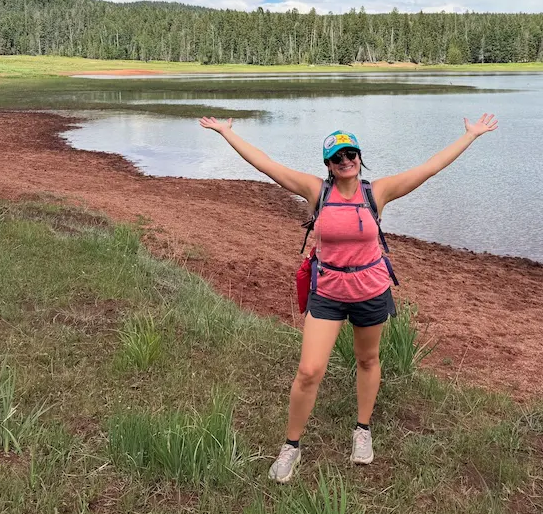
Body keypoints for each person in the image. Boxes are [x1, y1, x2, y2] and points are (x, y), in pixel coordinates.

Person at [198, 114, 498, 483]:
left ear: (359, 157)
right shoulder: (316, 191)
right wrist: (228, 133)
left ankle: (362, 429)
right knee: (309, 371)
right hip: (328, 292)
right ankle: (291, 445)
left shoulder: (377, 192)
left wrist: (469, 136)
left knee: (368, 359)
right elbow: (266, 164)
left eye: (351, 153)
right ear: (328, 164)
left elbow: (429, 168)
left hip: (371, 290)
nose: (346, 161)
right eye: (337, 157)